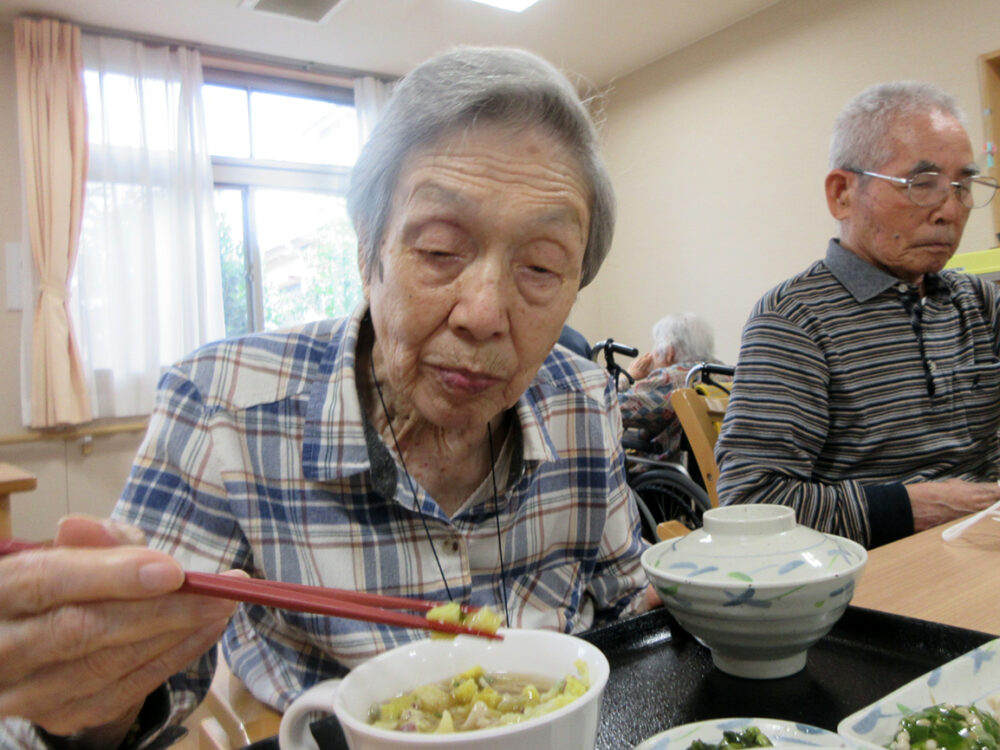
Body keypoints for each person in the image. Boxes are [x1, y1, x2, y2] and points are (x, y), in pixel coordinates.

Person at [0, 47, 653, 749]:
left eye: (541, 267)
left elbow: (626, 602)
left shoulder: (583, 398)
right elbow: (125, 698)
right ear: (366, 249)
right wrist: (90, 689)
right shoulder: (223, 407)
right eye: (439, 250)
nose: (484, 313)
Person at [715, 80, 1000, 549]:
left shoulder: (977, 302)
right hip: (873, 583)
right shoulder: (793, 319)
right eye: (922, 185)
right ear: (842, 193)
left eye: (963, 186)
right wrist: (924, 505)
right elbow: (751, 502)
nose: (950, 210)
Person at [617, 312, 719, 458]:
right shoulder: (722, 373)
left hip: (668, 469)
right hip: (716, 467)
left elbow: (612, 409)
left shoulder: (669, 379)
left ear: (669, 351)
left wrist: (626, 377)